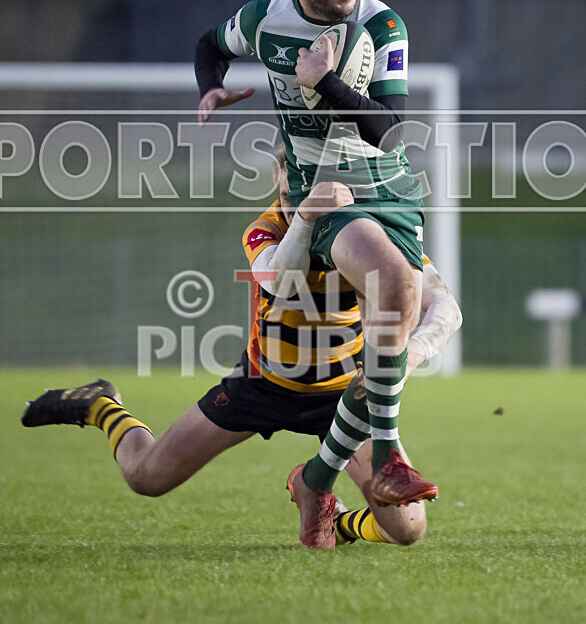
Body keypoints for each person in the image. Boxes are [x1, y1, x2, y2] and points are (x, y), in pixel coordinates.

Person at [21, 168, 462, 548]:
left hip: (344, 396)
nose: (300, 203)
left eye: (310, 193)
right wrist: (306, 217)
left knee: (407, 529)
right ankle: (102, 405)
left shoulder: (370, 235)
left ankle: (339, 519)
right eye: (292, 195)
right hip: (263, 386)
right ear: (278, 188)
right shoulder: (265, 229)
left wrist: (408, 355)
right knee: (146, 478)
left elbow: (445, 308)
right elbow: (278, 283)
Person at [195, 0, 438, 547]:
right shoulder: (264, 19)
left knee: (405, 299)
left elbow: (390, 132)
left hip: (391, 188)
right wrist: (211, 87)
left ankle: (317, 476)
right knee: (391, 278)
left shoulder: (383, 24)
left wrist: (323, 81)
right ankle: (385, 457)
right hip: (325, 195)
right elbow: (210, 46)